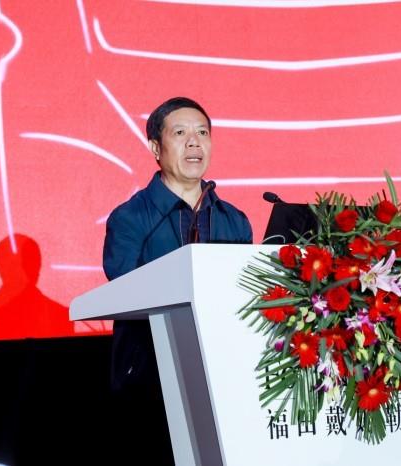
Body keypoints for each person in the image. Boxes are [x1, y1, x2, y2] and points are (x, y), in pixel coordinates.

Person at [102, 97, 252, 464]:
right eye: (181, 133)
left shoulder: (234, 220)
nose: (194, 142)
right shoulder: (130, 218)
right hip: (150, 379)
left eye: (203, 133)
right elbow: (124, 288)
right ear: (156, 147)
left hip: (222, 377)